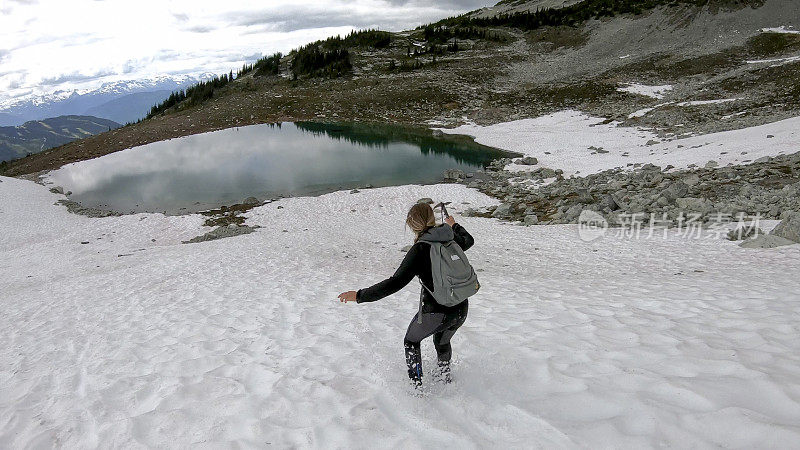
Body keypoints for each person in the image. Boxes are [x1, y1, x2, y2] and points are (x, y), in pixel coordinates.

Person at [337, 203, 474, 390]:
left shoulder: (420, 249)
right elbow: (469, 240)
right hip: (461, 308)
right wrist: (454, 225)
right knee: (442, 340)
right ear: (432, 218)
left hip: (437, 313)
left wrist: (360, 296)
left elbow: (395, 282)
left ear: (412, 225)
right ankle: (444, 378)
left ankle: (417, 388)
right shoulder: (451, 237)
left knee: (411, 341)